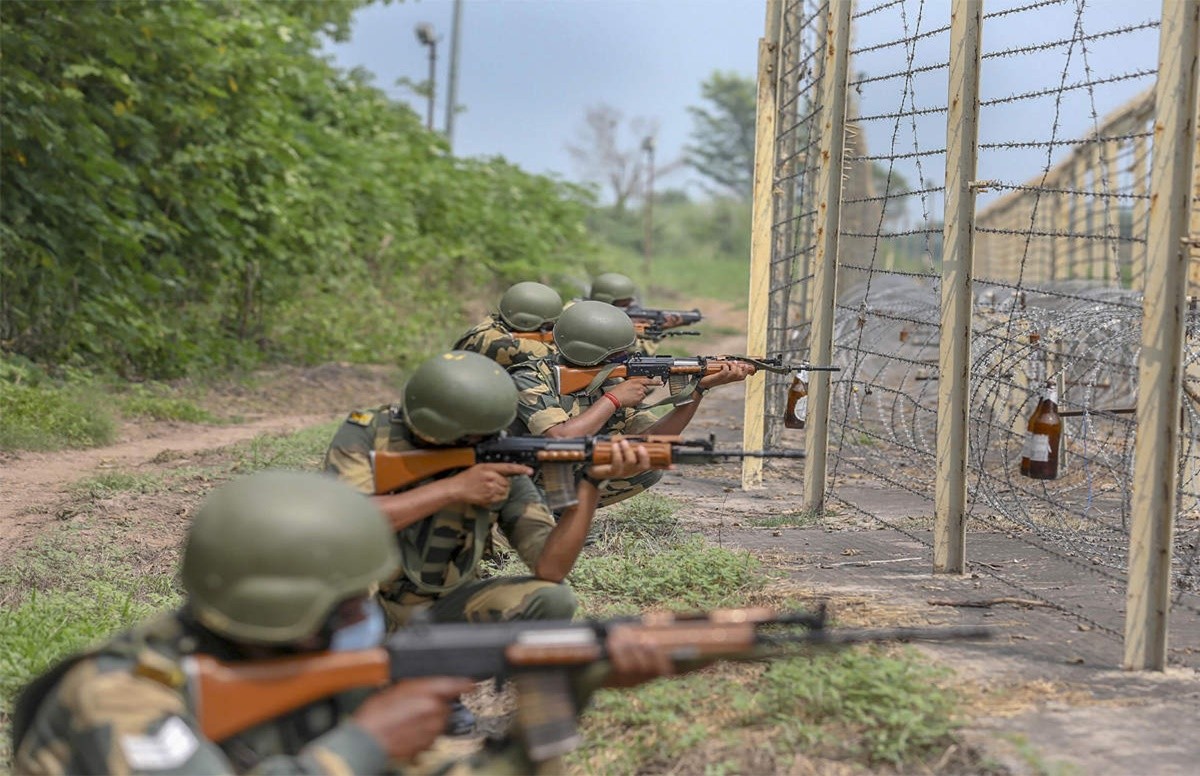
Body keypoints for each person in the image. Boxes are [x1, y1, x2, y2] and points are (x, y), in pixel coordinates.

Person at [10, 471, 676, 775]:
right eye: (355, 601)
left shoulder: (326, 680)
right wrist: (364, 744)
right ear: (292, 615)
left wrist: (564, 693)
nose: (371, 614)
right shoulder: (120, 696)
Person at [322, 350, 650, 733]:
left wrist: (592, 484)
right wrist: (453, 489)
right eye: (479, 437)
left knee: (551, 599)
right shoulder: (369, 433)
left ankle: (438, 683)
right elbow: (346, 520)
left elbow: (551, 567)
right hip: (357, 608)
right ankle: (355, 690)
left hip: (435, 611)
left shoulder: (496, 458)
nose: (490, 440)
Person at [508, 301, 754, 507]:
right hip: (512, 482)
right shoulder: (529, 378)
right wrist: (613, 400)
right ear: (588, 352)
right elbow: (560, 438)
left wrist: (699, 389)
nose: (626, 360)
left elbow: (654, 440)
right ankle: (535, 515)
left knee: (647, 462)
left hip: (557, 477)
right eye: (620, 355)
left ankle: (564, 514)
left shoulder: (607, 378)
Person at [452, 281, 563, 368]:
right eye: (548, 327)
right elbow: (550, 354)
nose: (550, 331)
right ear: (525, 322)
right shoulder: (492, 341)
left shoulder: (494, 323)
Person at [587, 271, 659, 356]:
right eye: (624, 305)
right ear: (605, 301)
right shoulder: (584, 317)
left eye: (629, 303)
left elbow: (644, 352)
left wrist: (654, 330)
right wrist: (629, 328)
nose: (629, 307)